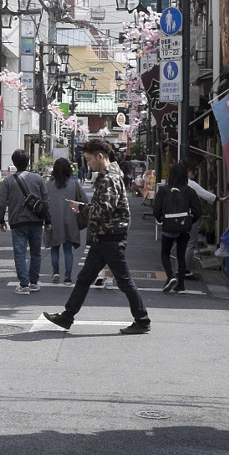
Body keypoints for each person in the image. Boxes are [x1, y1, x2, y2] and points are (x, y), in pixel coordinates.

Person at [44, 135, 151, 335]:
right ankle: (67, 316)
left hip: (110, 236)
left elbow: (104, 210)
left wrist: (83, 209)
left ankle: (142, 319)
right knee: (85, 278)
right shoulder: (110, 175)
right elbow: (104, 208)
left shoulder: (109, 178)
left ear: (100, 157)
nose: (89, 164)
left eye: (90, 160)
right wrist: (84, 207)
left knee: (124, 280)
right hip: (106, 236)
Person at [0, 148, 48, 293]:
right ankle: (34, 282)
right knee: (36, 253)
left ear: (14, 163)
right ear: (28, 163)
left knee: (20, 253)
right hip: (36, 221)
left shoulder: (8, 181)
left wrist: (0, 219)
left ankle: (24, 284)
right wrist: (48, 220)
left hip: (17, 221)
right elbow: (45, 200)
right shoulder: (38, 179)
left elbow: (1, 202)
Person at [153, 160, 204, 293]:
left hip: (168, 227)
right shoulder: (189, 191)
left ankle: (170, 276)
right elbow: (198, 210)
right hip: (183, 229)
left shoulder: (164, 190)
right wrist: (188, 222)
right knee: (180, 255)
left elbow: (156, 209)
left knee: (165, 253)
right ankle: (180, 284)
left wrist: (162, 220)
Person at [43, 155, 87, 285]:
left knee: (54, 248)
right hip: (70, 220)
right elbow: (84, 200)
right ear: (68, 169)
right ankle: (68, 277)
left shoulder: (48, 185)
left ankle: (55, 272)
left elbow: (43, 202)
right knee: (68, 250)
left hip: (53, 220)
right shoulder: (74, 184)